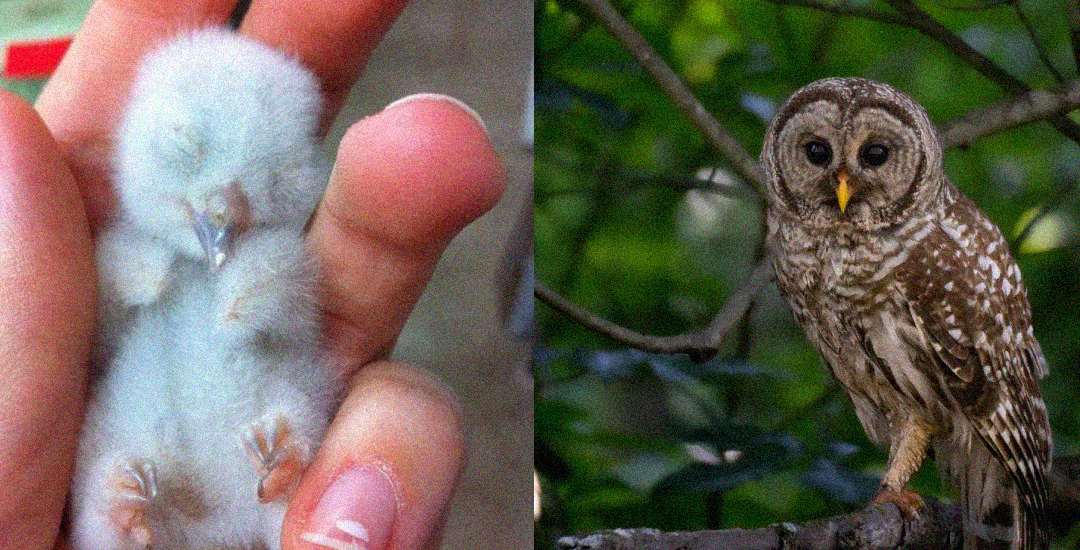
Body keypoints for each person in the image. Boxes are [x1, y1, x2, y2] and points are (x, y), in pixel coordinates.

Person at [0, 1, 505, 549]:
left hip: (242, 466)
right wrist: (123, 282)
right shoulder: (112, 250)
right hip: (144, 449)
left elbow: (291, 331)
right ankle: (119, 512)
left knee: (288, 413)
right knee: (115, 457)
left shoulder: (273, 257)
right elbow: (96, 334)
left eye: (275, 180)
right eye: (185, 151)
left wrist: (265, 289)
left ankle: (280, 468)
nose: (223, 206)